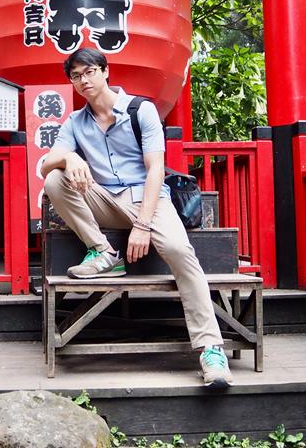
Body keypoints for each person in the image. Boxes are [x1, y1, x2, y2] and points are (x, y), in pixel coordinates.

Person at [40, 48, 233, 387]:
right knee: (55, 178)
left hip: (149, 200)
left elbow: (156, 169)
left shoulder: (140, 110)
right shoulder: (75, 122)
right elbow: (45, 165)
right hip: (105, 200)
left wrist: (142, 225)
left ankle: (210, 349)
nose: (83, 80)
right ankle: (103, 252)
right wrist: (69, 157)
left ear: (105, 71)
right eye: (76, 76)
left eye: (89, 72)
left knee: (178, 250)